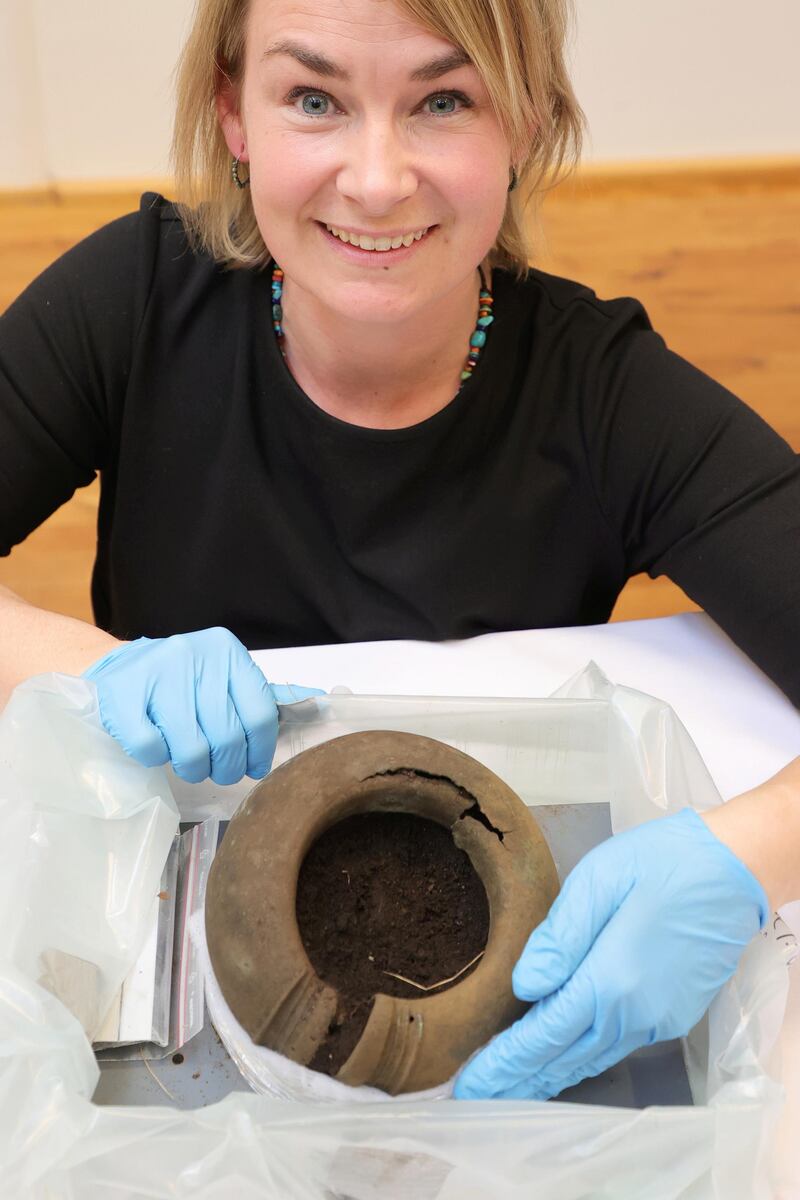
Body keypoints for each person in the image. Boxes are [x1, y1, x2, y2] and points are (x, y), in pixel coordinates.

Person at [1, 0, 798, 1103]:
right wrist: (84, 671)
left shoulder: (606, 397)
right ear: (235, 112)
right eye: (314, 99)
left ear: (523, 122)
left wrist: (744, 856)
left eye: (441, 100)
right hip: (158, 935)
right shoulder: (135, 303)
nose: (376, 182)